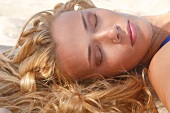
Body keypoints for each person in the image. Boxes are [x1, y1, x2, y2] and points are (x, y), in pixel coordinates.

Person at [0, 0, 170, 112]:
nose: (112, 32)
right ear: (109, 78)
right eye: (98, 54)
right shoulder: (163, 64)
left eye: (94, 20)